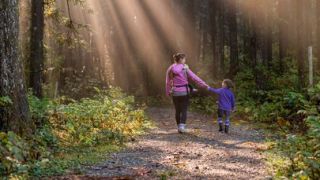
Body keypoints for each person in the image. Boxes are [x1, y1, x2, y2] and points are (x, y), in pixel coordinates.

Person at [166, 53, 208, 133]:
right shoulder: (185, 68)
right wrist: (204, 84)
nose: (185, 60)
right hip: (184, 92)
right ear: (181, 59)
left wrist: (168, 91)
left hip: (175, 92)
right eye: (184, 59)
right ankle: (182, 127)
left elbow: (167, 82)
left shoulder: (170, 68)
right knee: (184, 110)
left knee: (177, 110)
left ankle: (179, 127)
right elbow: (194, 77)